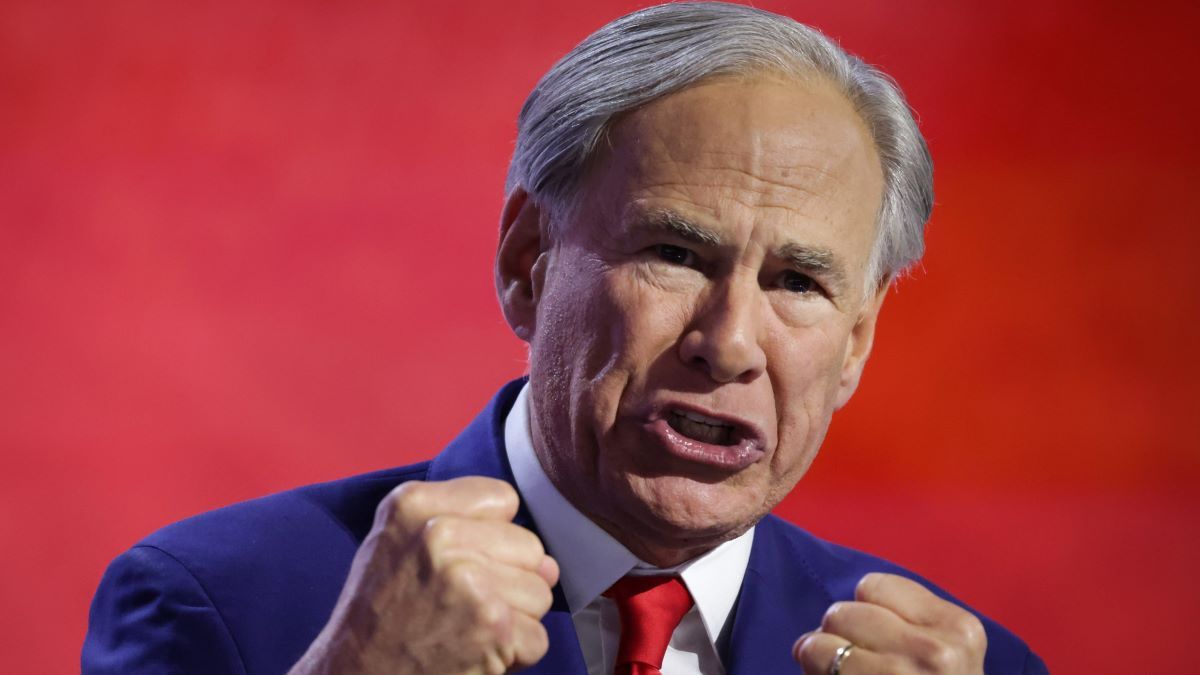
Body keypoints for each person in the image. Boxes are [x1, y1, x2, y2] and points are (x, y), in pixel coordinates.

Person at [83, 3, 1048, 674]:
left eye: (798, 281)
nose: (730, 342)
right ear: (528, 263)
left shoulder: (969, 661)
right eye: (674, 252)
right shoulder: (216, 603)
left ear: (857, 342)